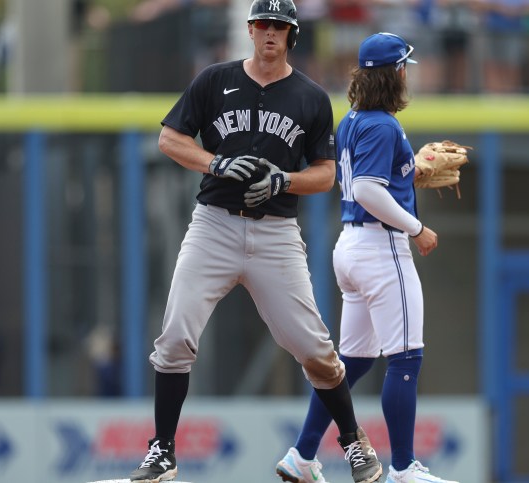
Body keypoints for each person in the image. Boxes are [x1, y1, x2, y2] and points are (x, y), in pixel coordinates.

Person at [129, 1, 383, 482]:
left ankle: (353, 441)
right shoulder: (214, 80)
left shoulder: (309, 96)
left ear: (292, 35)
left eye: (280, 26)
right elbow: (169, 139)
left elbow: (326, 174)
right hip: (214, 225)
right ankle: (162, 451)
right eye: (263, 24)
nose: (270, 32)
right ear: (249, 29)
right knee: (175, 334)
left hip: (275, 233)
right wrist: (215, 163)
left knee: (315, 349)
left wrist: (285, 180)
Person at [275, 32, 457, 483]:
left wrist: (409, 172)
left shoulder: (354, 119)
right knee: (406, 358)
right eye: (404, 68)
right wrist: (417, 228)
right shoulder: (382, 124)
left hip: (351, 247)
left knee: (351, 363)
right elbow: (368, 190)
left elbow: (371, 184)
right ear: (394, 73)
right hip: (381, 248)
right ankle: (402, 468)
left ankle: (301, 456)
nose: (406, 74)